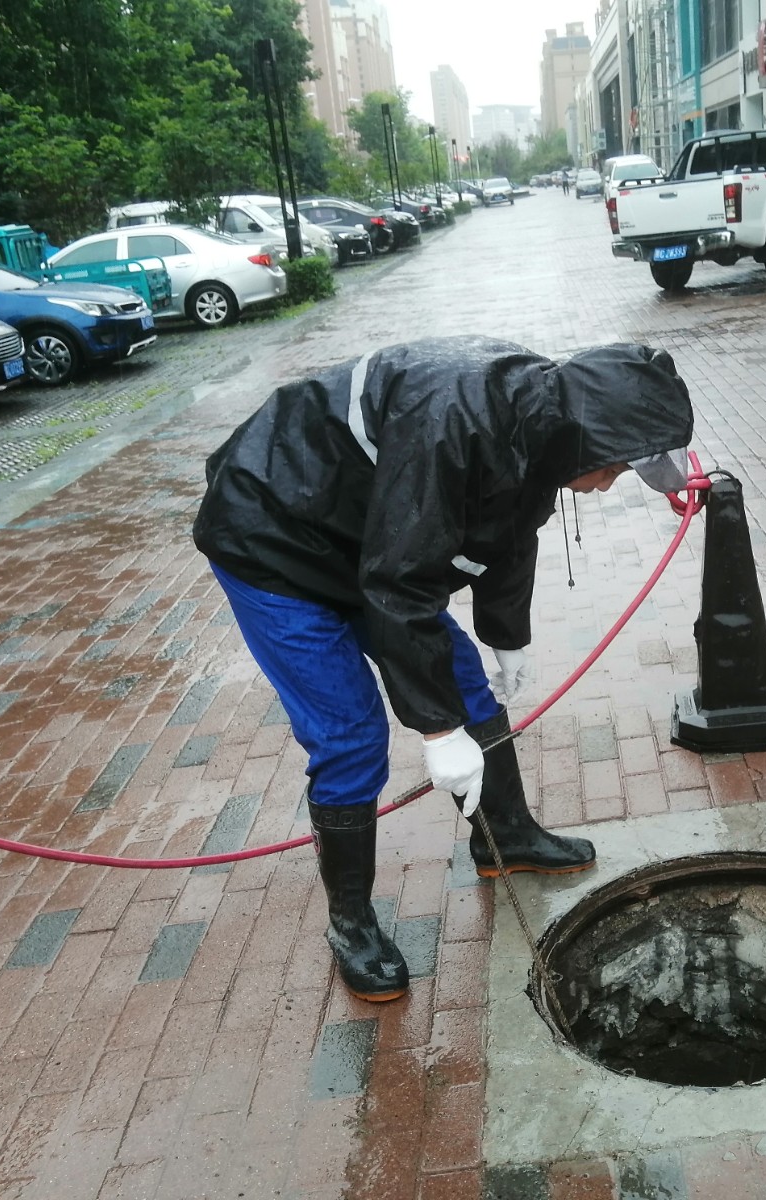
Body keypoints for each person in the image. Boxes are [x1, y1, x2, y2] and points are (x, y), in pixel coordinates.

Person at [193, 337, 695, 1002]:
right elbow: (399, 586)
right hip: (275, 536)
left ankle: (505, 837)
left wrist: (504, 634)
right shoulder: (450, 425)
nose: (608, 485)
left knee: (462, 679)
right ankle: (351, 924)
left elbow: (508, 536)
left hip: (368, 536)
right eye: (614, 469)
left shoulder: (540, 426)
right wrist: (436, 732)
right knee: (350, 735)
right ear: (580, 440)